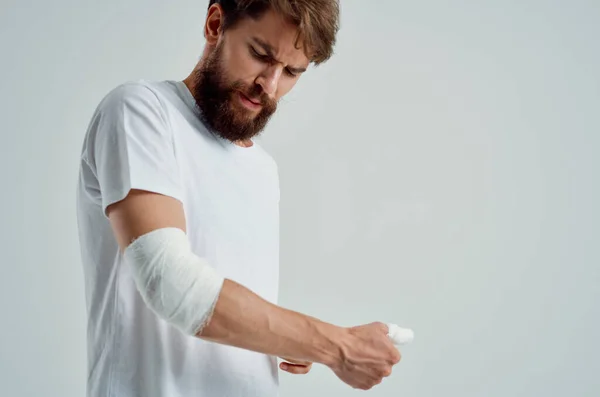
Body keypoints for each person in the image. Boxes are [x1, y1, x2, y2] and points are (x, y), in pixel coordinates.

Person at [76, 1, 401, 396]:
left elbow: (226, 308)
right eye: (260, 55)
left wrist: (295, 339)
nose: (270, 84)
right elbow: (170, 282)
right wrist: (335, 345)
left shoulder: (263, 170)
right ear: (215, 24)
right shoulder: (142, 112)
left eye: (292, 72)